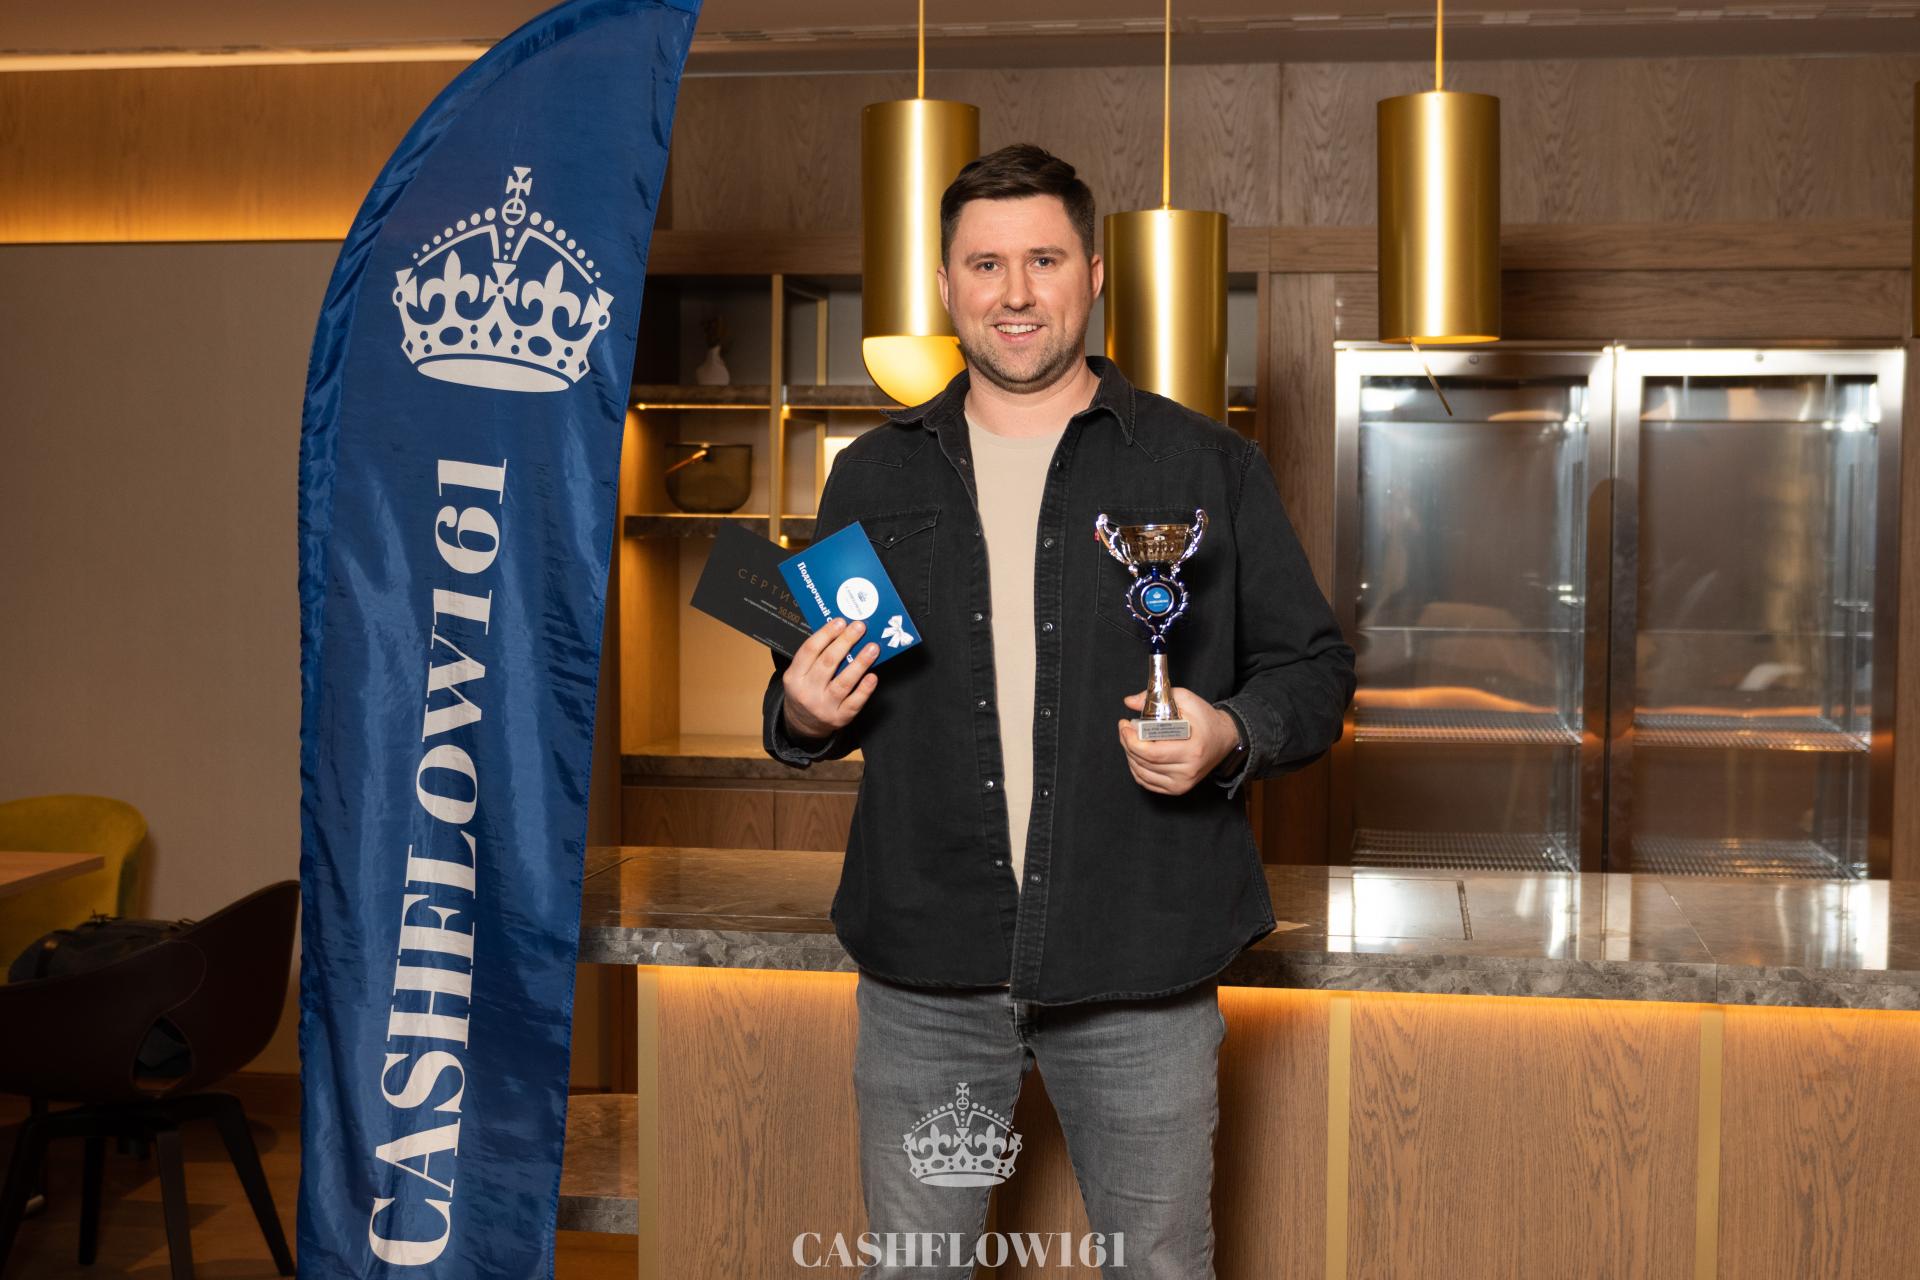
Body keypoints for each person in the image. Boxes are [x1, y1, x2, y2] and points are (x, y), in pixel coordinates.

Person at [762, 143, 1355, 1279]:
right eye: (986, 264)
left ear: (1093, 273)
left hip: (1140, 961)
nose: (1015, 292)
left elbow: (1315, 669)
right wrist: (805, 711)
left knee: (1159, 1267)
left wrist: (1229, 733)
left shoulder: (1205, 465)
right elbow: (804, 700)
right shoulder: (871, 475)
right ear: (946, 285)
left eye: (1043, 259)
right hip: (926, 971)